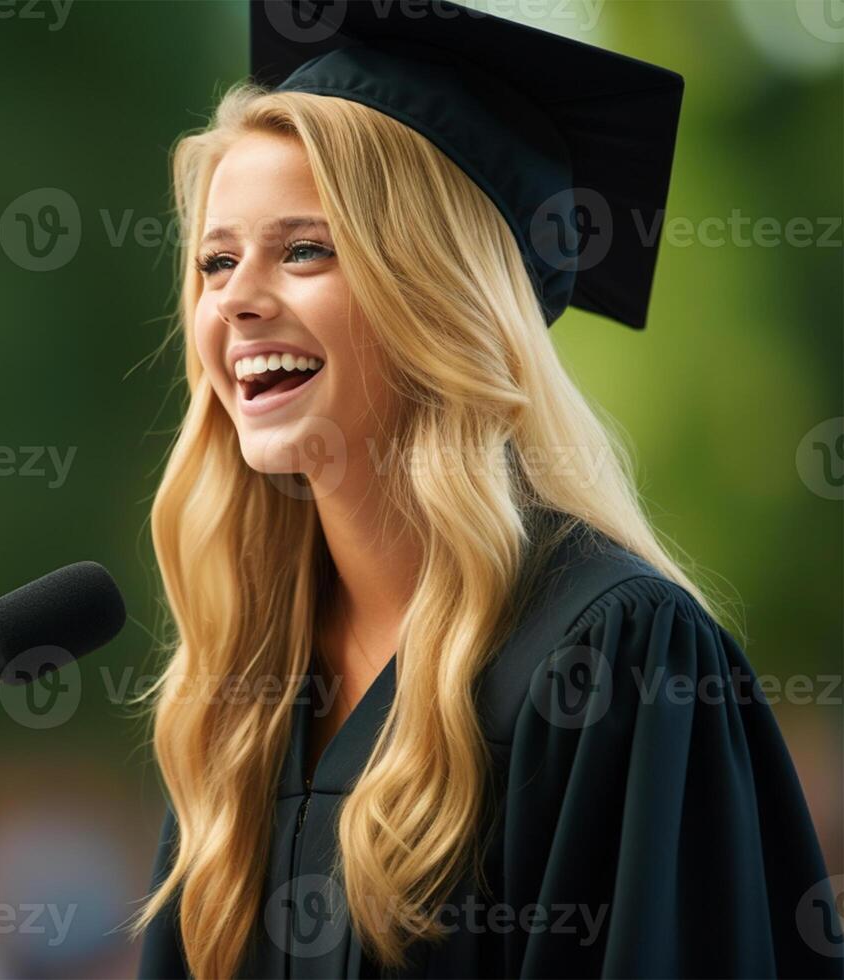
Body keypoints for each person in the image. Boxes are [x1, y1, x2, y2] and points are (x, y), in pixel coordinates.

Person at [128, 2, 841, 977]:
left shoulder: (617, 655)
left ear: (437, 294)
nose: (237, 298)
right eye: (216, 260)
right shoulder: (243, 691)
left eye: (304, 249)